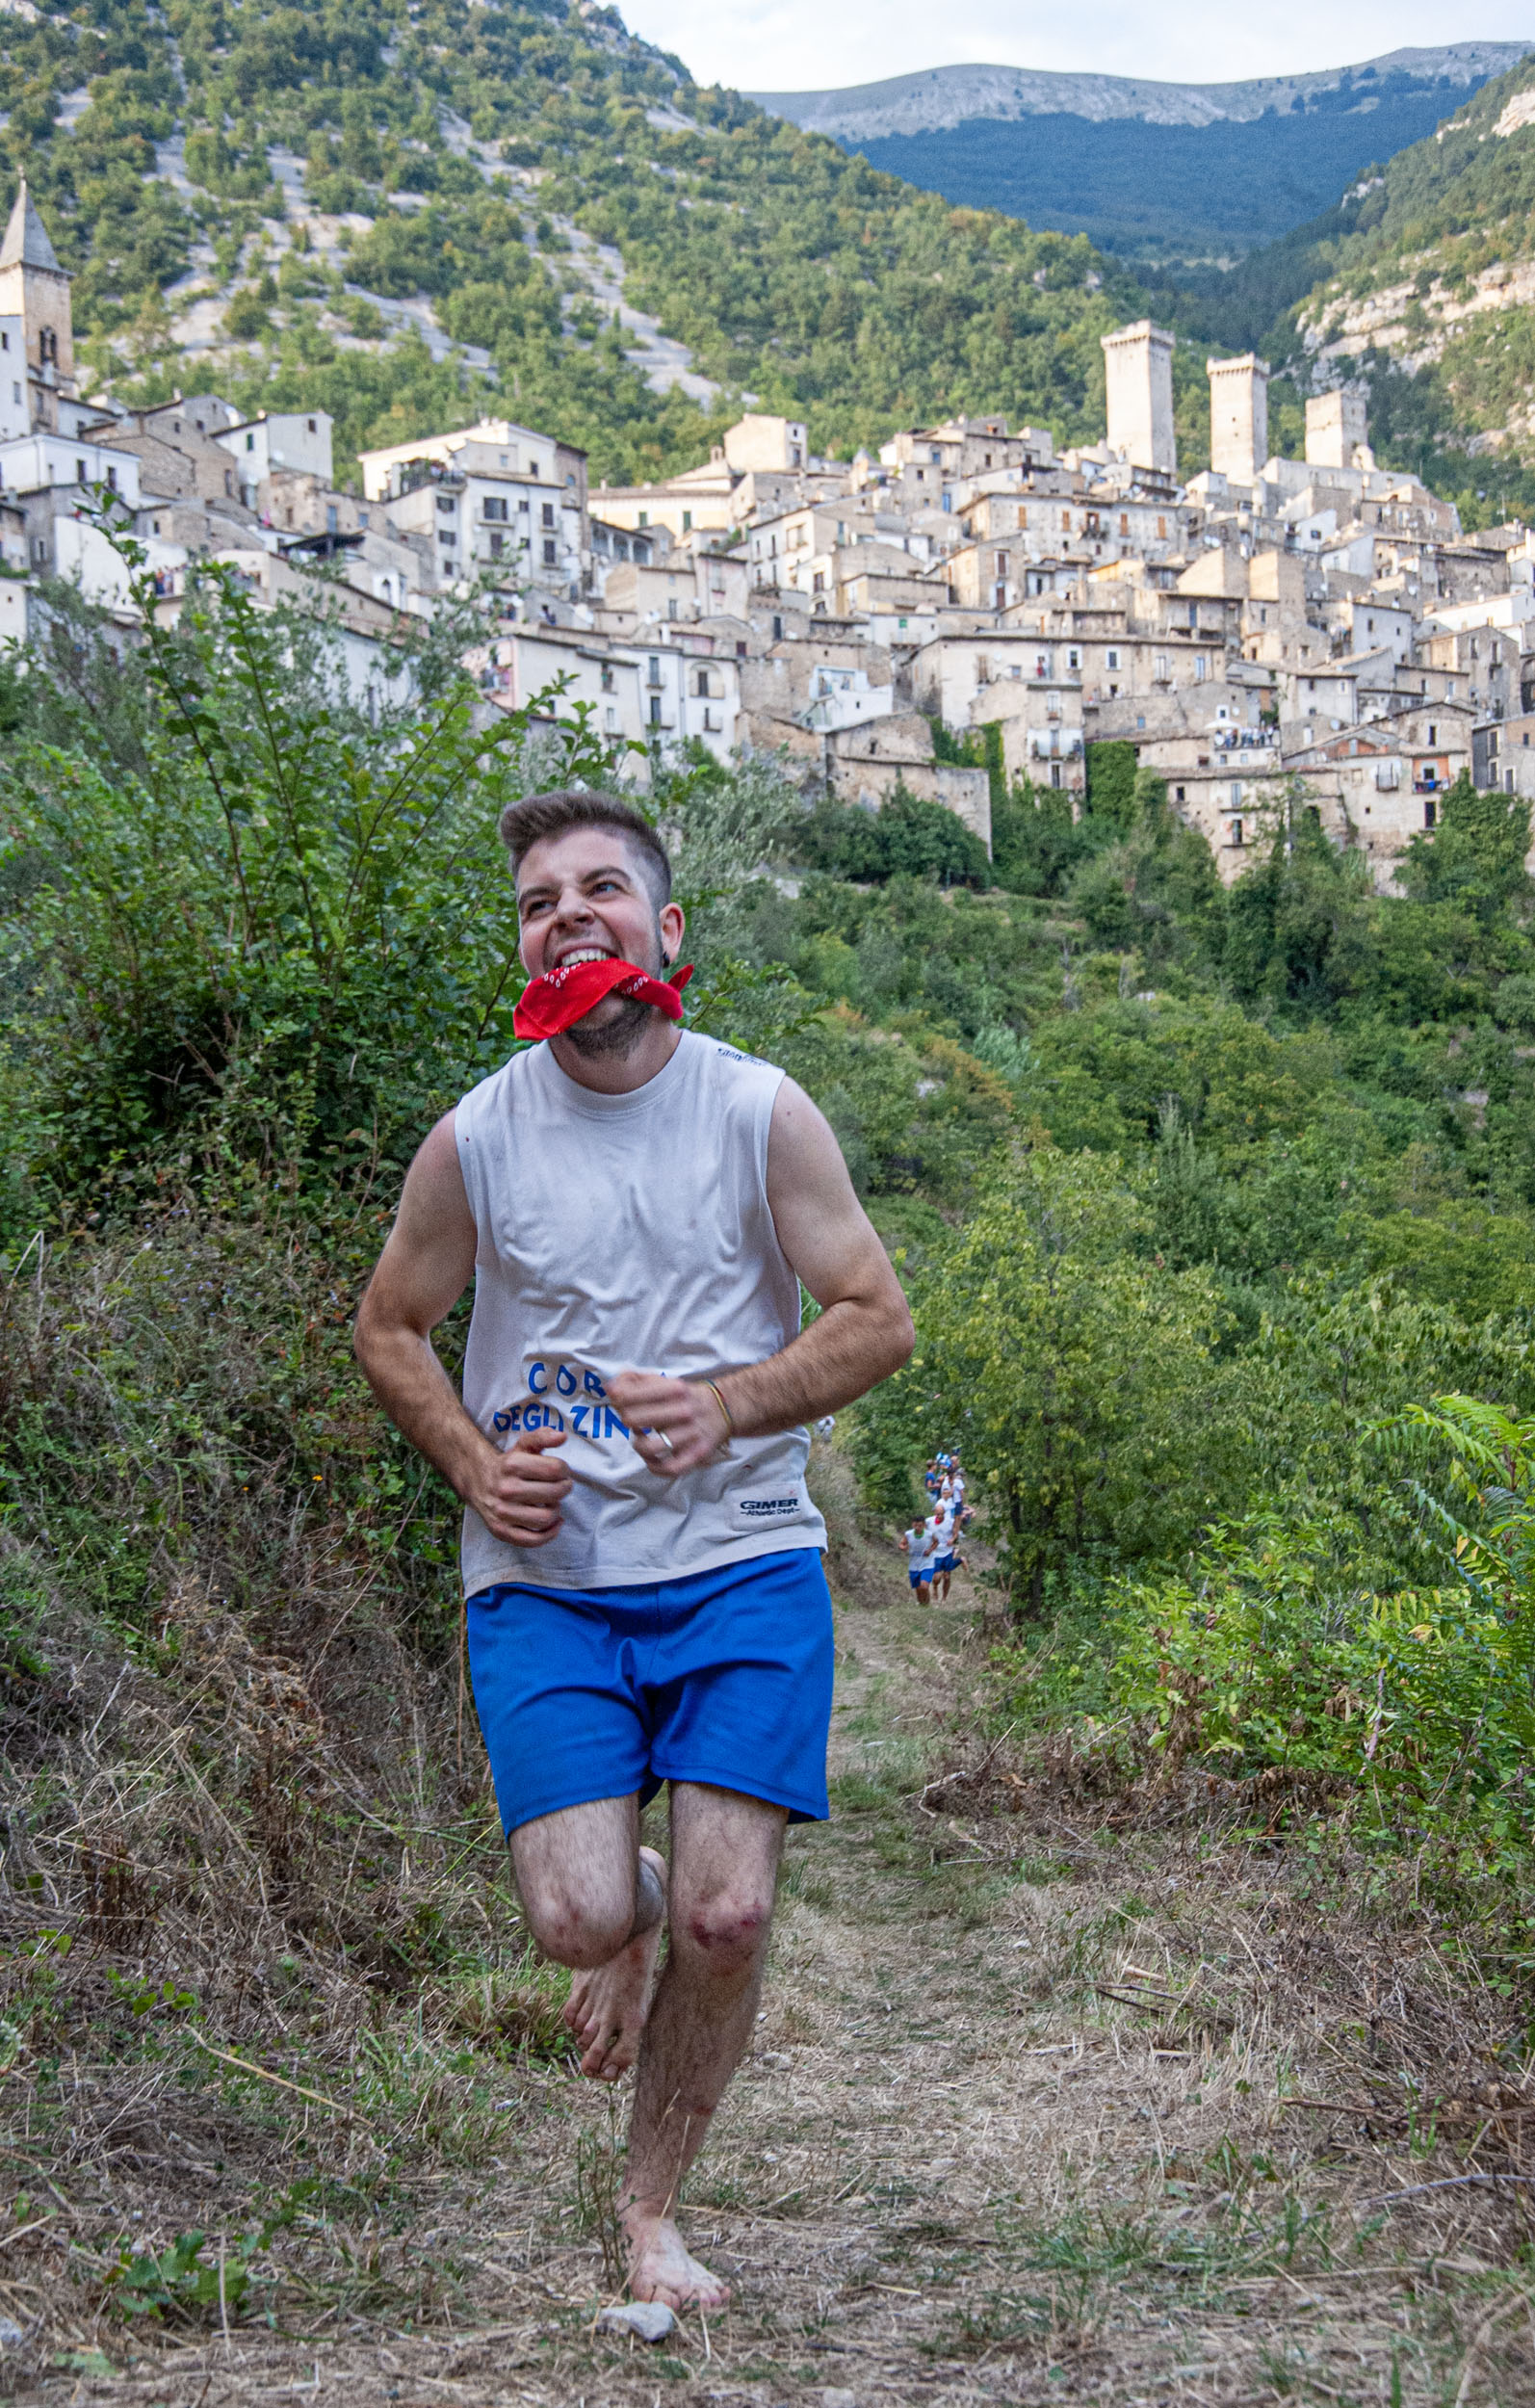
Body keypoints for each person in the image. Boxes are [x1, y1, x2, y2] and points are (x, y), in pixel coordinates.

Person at [353, 789, 912, 2315]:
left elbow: (876, 1317)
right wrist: (474, 1461)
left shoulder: (755, 1110)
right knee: (576, 1916)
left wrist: (730, 1403)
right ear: (524, 946)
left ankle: (649, 2208)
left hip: (738, 1561)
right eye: (541, 900)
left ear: (665, 933)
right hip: (546, 1585)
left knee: (731, 1914)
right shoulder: (476, 1139)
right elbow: (389, 1327)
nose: (569, 914)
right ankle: (626, 1897)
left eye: (601, 889)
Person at [899, 1511, 941, 1605]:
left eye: (920, 1525)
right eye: (916, 1525)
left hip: (927, 1563)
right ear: (912, 1524)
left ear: (924, 1525)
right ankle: (922, 1605)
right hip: (914, 1564)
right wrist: (904, 1547)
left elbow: (936, 1542)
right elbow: (901, 1544)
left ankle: (927, 1602)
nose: (918, 1528)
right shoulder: (908, 1534)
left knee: (924, 1586)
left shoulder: (929, 1534)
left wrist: (930, 1550)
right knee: (918, 1589)